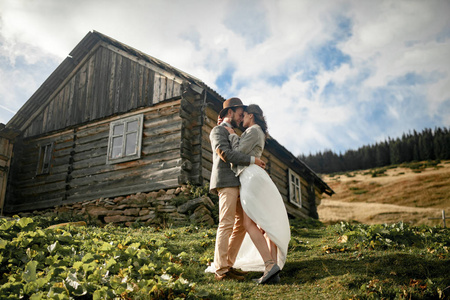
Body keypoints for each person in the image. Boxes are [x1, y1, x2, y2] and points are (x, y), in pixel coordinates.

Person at [224, 104, 291, 284]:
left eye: (244, 115)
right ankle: (273, 268)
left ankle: (269, 265)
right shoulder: (258, 131)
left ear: (251, 116)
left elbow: (237, 153)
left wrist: (231, 135)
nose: (242, 119)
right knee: (264, 223)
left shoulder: (253, 131)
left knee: (248, 223)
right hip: (257, 177)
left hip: (250, 177)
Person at [208, 97, 266, 281]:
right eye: (240, 115)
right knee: (226, 223)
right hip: (226, 182)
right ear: (230, 112)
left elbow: (238, 149)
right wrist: (253, 161)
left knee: (241, 225)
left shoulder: (233, 132)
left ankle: (228, 265)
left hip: (239, 182)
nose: (242, 119)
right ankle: (221, 271)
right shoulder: (218, 130)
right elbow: (226, 154)